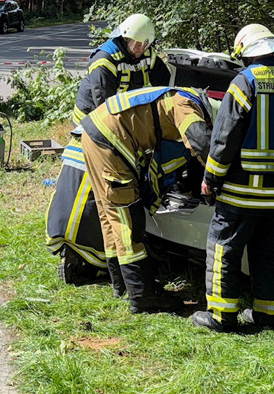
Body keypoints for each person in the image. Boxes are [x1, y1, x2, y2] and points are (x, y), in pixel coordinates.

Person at [191, 24, 274, 332]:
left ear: (247, 53)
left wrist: (210, 179)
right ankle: (268, 317)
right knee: (270, 255)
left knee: (224, 249)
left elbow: (225, 136)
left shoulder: (245, 81)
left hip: (242, 192)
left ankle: (221, 316)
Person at [46, 13, 172, 278]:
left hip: (125, 130)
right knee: (93, 187)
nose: (141, 49)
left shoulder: (148, 55)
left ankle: (118, 249)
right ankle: (82, 250)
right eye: (137, 44)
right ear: (124, 37)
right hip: (94, 128)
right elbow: (104, 107)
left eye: (145, 45)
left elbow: (163, 87)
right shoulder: (104, 61)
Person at [81, 85, 212, 313]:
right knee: (127, 219)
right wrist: (216, 175)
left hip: (95, 135)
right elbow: (200, 141)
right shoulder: (186, 104)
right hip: (111, 141)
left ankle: (122, 285)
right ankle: (142, 295)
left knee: (110, 215)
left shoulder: (171, 95)